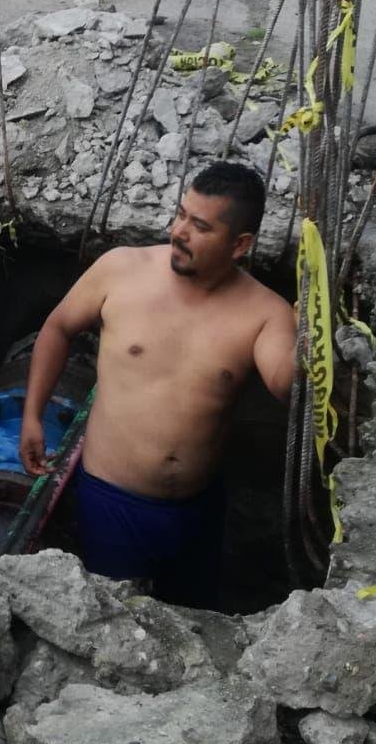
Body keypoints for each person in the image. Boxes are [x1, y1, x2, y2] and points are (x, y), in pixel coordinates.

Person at [18, 161, 296, 609]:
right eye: (181, 214)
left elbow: (287, 385)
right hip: (111, 501)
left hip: (199, 509)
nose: (178, 232)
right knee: (111, 620)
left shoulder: (265, 313)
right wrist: (32, 415)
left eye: (200, 226)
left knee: (194, 620)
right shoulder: (120, 270)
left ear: (240, 244)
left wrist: (314, 345)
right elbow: (58, 327)